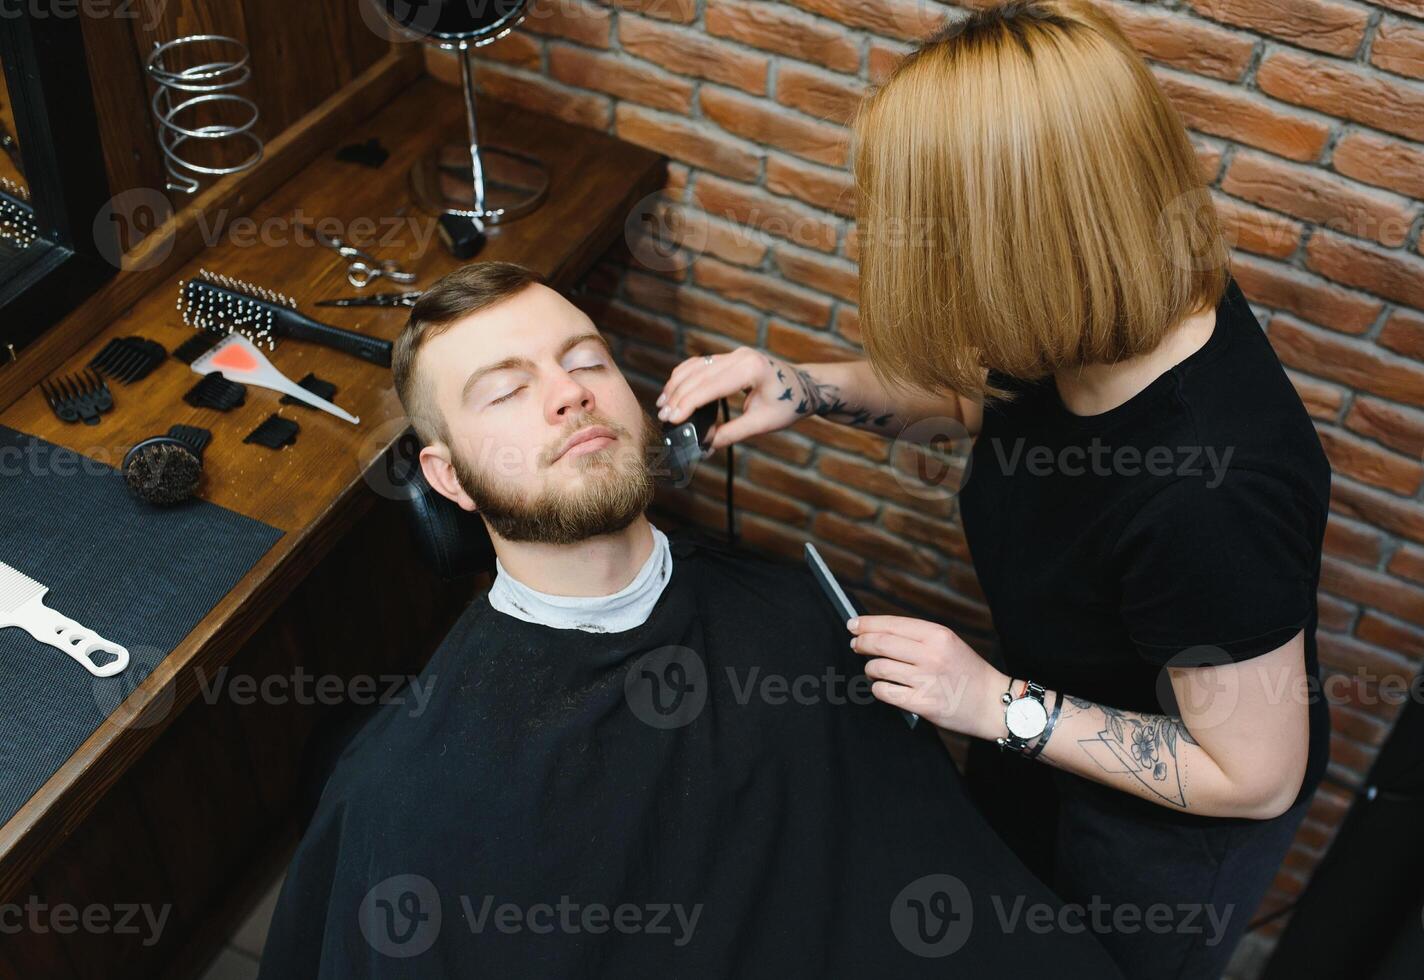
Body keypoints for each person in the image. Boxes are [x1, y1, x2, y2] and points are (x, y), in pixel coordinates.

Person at [654, 2, 1331, 977]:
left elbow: (1253, 774)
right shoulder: (1098, 299)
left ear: (1018, 237)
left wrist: (994, 703)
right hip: (1042, 723)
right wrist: (805, 386)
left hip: (1167, 823)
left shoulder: (1210, 492)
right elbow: (986, 402)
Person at [256, 262, 1121, 977]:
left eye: (585, 361)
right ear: (447, 480)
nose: (567, 395)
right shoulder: (406, 794)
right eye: (505, 392)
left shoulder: (800, 616)